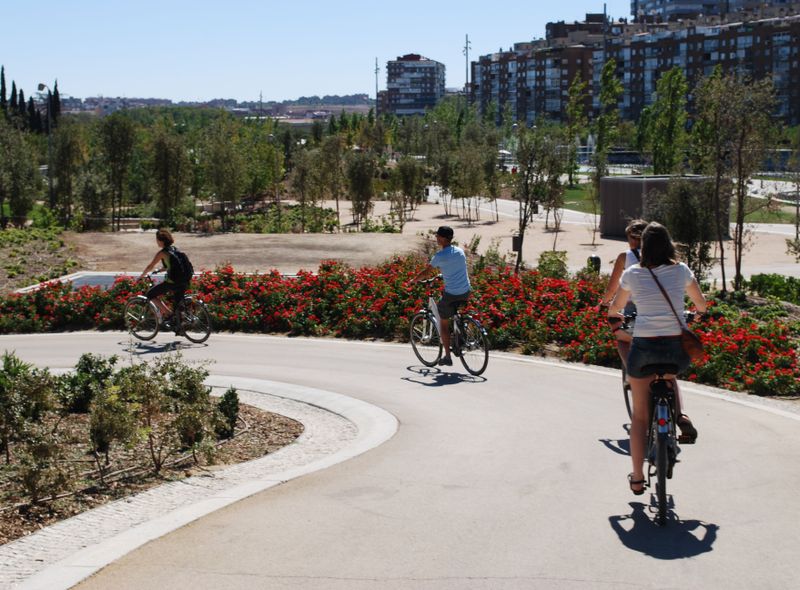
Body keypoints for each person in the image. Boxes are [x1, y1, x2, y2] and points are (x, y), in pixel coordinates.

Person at [606, 222, 707, 496]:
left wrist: (616, 313)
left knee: (639, 417)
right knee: (670, 378)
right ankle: (678, 415)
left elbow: (616, 307)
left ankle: (637, 478)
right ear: (669, 244)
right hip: (676, 352)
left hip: (644, 349)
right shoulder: (681, 270)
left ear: (643, 247)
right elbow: (701, 304)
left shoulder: (633, 273)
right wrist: (695, 315)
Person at [411, 226, 471, 367]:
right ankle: (459, 335)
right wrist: (442, 275)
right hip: (466, 291)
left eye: (438, 236)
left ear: (443, 238)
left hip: (452, 294)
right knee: (454, 312)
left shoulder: (440, 256)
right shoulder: (460, 251)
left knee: (443, 322)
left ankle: (447, 357)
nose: (436, 238)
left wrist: (414, 280)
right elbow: (455, 268)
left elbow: (426, 272)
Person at [600, 219, 649, 363]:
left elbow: (612, 288)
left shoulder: (625, 257)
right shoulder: (660, 256)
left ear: (630, 238)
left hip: (633, 311)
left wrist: (604, 302)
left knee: (623, 340)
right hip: (661, 312)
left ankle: (632, 371)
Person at [139, 228, 190, 328]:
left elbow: (150, 266)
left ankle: (168, 313)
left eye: (157, 240)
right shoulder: (175, 249)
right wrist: (159, 270)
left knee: (150, 294)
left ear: (161, 241)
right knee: (177, 304)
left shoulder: (162, 253)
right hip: (184, 280)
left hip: (173, 282)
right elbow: (170, 265)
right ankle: (179, 326)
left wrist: (142, 276)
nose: (156, 242)